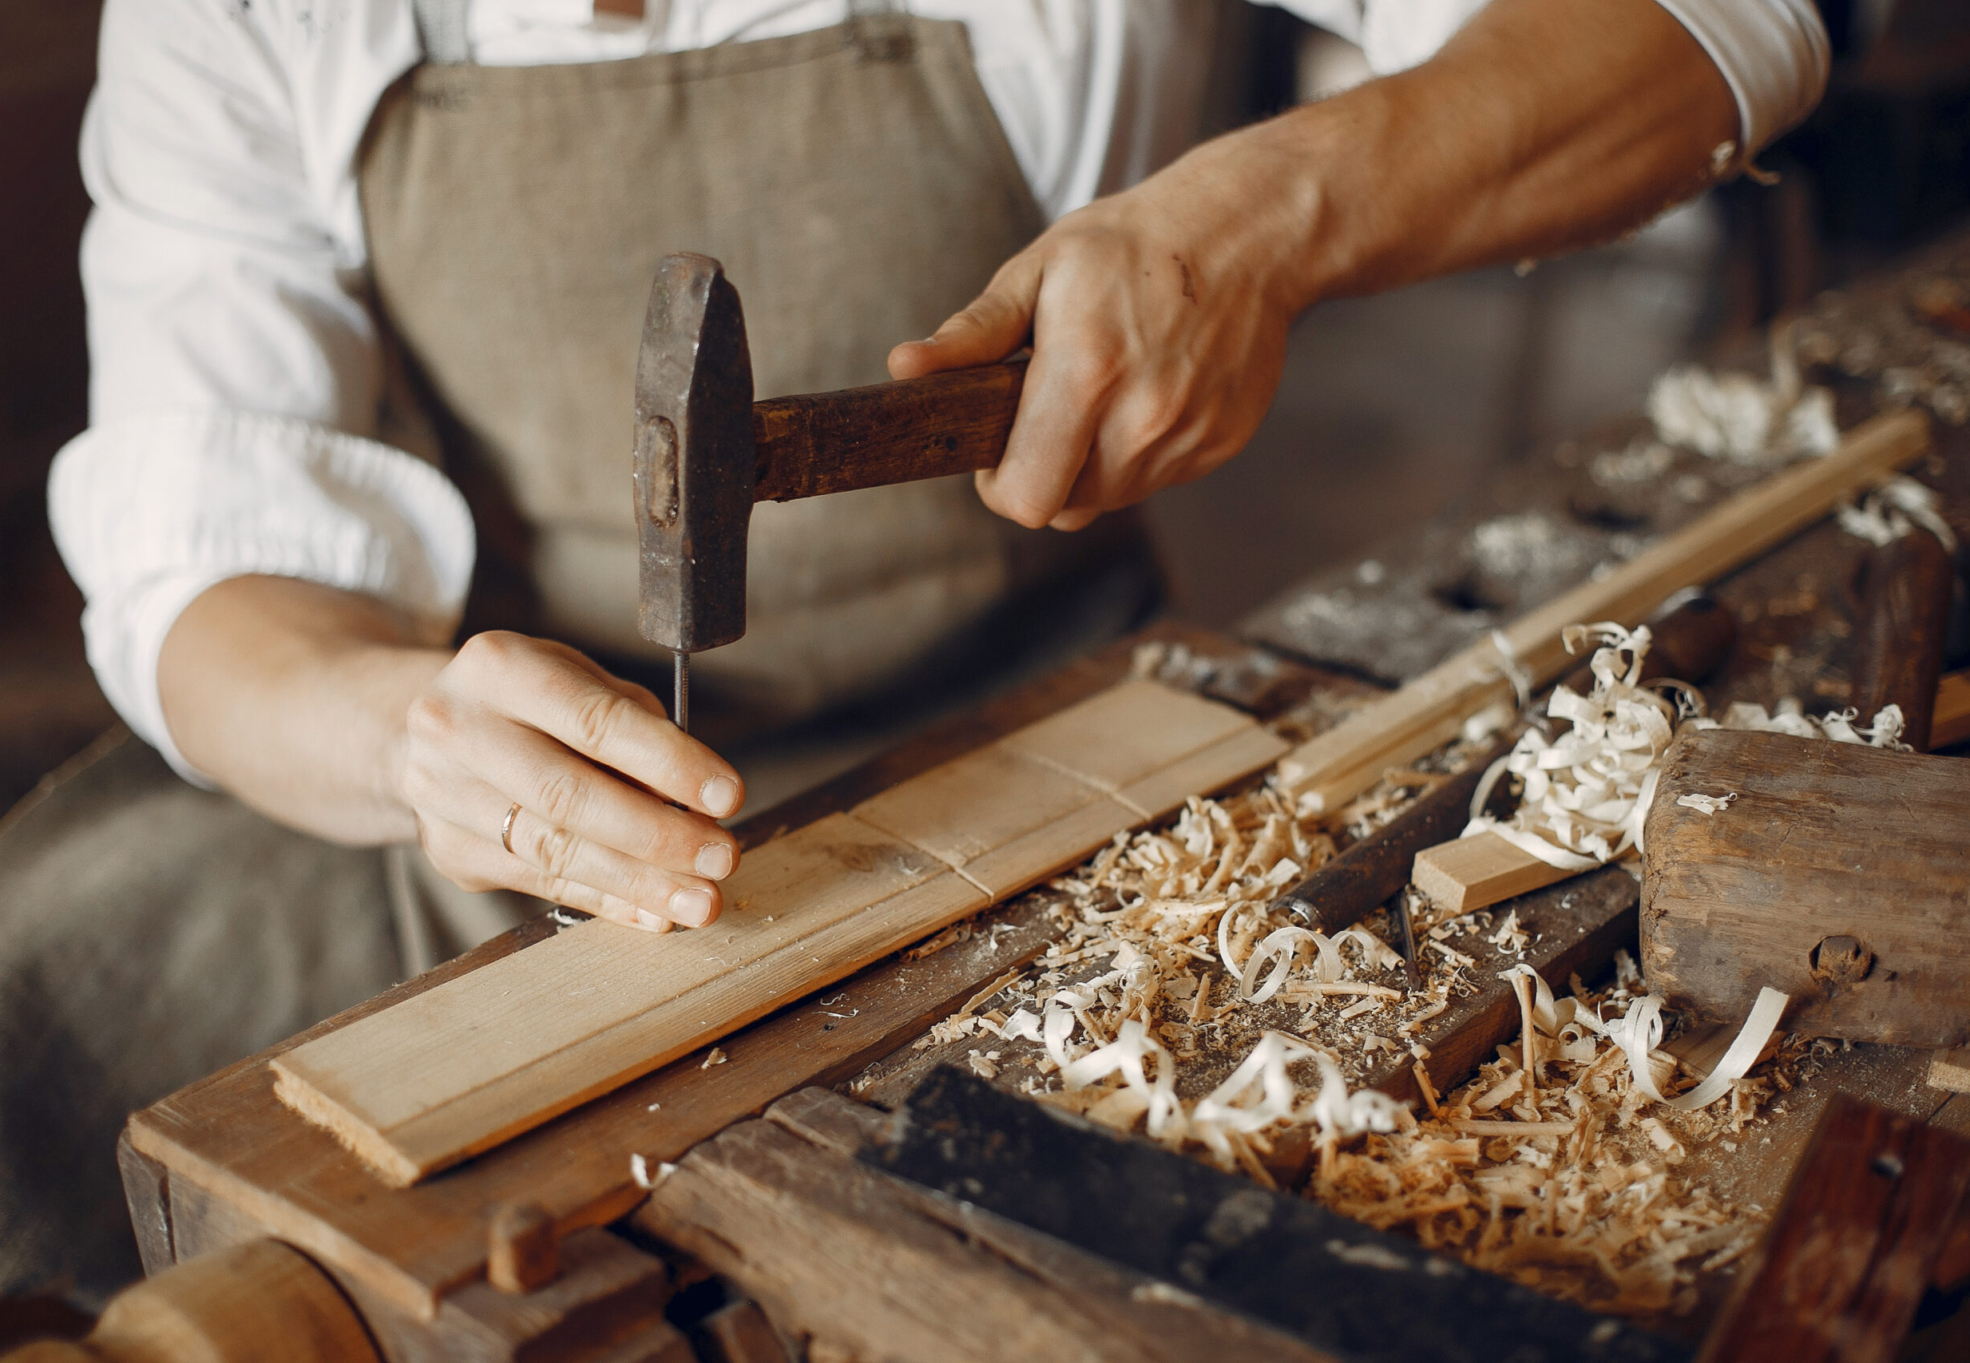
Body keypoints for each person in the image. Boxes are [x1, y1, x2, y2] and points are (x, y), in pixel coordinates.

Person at [7, 0, 1825, 1302]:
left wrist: (1267, 219)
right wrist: (410, 732)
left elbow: (1717, 26)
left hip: (1052, 757)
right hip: (509, 806)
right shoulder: (236, 21)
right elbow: (210, 578)